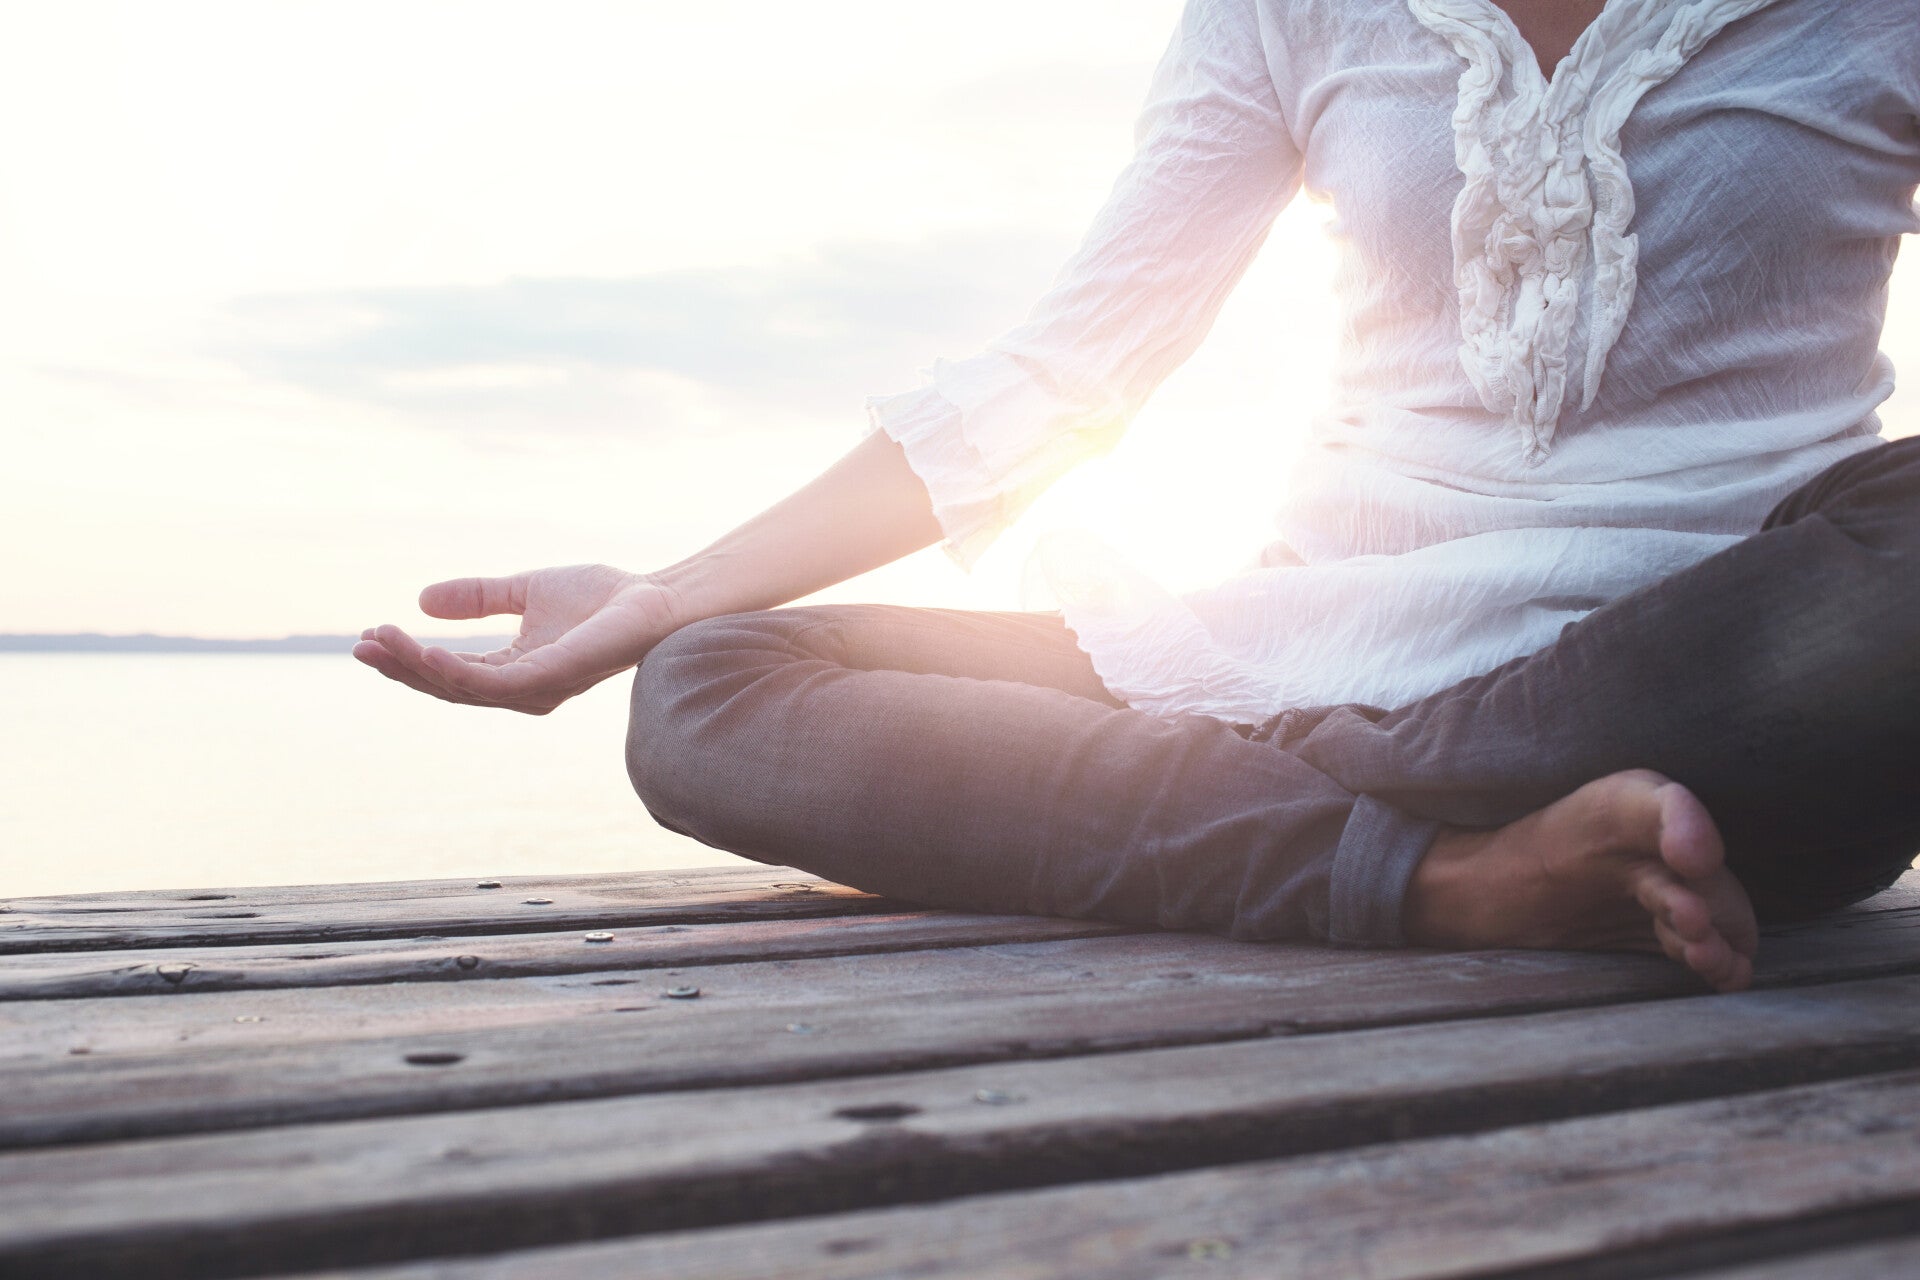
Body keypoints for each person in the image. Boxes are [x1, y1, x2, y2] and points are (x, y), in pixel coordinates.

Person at [356, 0, 1920, 994]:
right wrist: (668, 594)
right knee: (711, 687)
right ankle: (1451, 877)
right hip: (1324, 649)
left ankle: (1361, 797)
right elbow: (1069, 368)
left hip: (1721, 677)